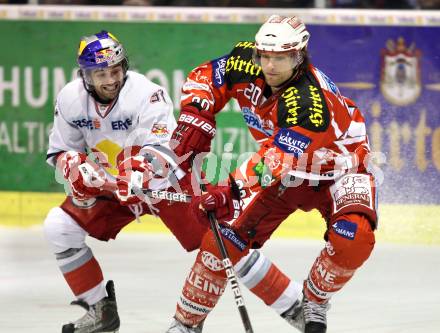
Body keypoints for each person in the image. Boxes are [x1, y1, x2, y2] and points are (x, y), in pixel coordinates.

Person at [43, 30, 305, 333]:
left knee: (223, 245)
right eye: (101, 73)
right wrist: (73, 167)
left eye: (115, 70)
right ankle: (100, 310)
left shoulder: (147, 94)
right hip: (114, 188)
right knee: (58, 227)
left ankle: (294, 303)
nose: (111, 79)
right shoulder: (70, 98)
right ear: (86, 75)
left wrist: (141, 171)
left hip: (168, 182)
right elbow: (63, 148)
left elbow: (167, 148)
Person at [167, 15, 377, 333]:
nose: (270, 65)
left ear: (299, 56)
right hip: (287, 171)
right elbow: (206, 77)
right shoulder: (246, 62)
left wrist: (232, 189)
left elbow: (277, 160)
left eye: (280, 58)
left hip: (341, 169)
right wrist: (197, 113)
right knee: (220, 240)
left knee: (354, 238)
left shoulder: (309, 103)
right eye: (265, 56)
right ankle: (185, 325)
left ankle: (314, 300)